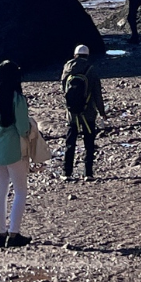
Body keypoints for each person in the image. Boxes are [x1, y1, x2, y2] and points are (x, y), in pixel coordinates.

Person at [0, 60, 33, 248]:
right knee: (20, 190)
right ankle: (14, 233)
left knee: (1, 189)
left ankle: (0, 234)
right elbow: (23, 128)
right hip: (13, 148)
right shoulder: (17, 98)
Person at [60, 44, 107, 181]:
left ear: (75, 55)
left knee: (70, 143)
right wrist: (102, 111)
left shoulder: (67, 68)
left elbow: (64, 89)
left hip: (72, 113)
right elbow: (97, 93)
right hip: (88, 113)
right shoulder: (90, 69)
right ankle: (88, 173)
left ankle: (66, 172)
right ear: (87, 55)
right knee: (89, 143)